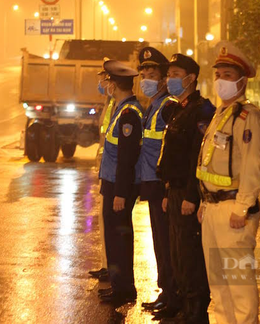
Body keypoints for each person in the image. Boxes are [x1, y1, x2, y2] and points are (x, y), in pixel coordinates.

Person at [196, 42, 260, 324]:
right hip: (212, 209)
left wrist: (243, 206)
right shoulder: (221, 114)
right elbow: (208, 163)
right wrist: (203, 202)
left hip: (233, 210)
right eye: (218, 75)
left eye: (227, 75)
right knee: (219, 286)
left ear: (241, 80)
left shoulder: (248, 116)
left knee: (239, 286)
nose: (220, 81)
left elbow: (252, 164)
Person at [156, 53, 215, 323]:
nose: (170, 79)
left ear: (191, 79)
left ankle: (195, 309)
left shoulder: (201, 111)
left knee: (191, 254)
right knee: (176, 251)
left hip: (188, 193)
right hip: (175, 190)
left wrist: (192, 196)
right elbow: (172, 155)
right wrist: (169, 191)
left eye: (176, 74)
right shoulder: (178, 109)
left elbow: (196, 158)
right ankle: (180, 303)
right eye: (169, 74)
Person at [135, 47, 180, 319]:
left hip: (162, 184)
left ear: (163, 79)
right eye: (143, 74)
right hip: (151, 183)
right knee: (160, 243)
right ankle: (166, 291)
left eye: (152, 74)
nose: (146, 78)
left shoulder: (168, 106)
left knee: (167, 242)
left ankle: (173, 295)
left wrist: (165, 185)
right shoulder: (153, 105)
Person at [96, 59, 144, 307]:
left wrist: (121, 194)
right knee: (114, 238)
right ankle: (118, 284)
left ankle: (124, 288)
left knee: (119, 238)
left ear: (114, 85)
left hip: (119, 185)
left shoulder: (129, 114)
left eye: (108, 82)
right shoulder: (120, 108)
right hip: (112, 182)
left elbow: (127, 159)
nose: (105, 86)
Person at [88, 66, 116, 283]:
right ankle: (107, 265)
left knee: (112, 225)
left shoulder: (121, 107)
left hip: (113, 174)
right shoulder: (110, 104)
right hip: (106, 170)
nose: (102, 85)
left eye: (105, 81)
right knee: (104, 223)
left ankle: (113, 270)